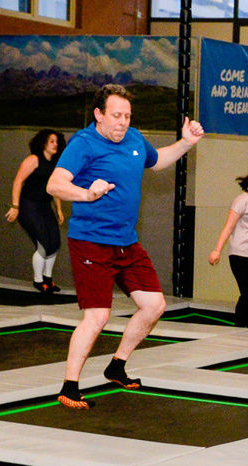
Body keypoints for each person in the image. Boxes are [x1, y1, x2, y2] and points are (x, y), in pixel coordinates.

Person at [47, 84, 203, 406]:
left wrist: (186, 143)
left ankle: (117, 365)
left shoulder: (133, 138)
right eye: (116, 116)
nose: (122, 122)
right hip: (91, 242)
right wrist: (87, 194)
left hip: (126, 242)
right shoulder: (84, 143)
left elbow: (157, 161)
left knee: (154, 306)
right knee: (97, 317)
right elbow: (55, 184)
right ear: (99, 115)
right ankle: (69, 386)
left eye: (127, 116)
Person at [208, 166, 248, 326]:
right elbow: (229, 226)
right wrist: (217, 250)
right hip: (241, 254)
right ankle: (240, 325)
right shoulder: (242, 201)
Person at [7, 129, 64, 293]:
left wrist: (59, 209)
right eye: (52, 141)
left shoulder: (55, 164)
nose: (55, 144)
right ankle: (38, 281)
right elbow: (18, 181)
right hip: (29, 205)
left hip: (45, 206)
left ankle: (48, 278)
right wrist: (15, 206)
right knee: (44, 243)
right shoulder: (33, 159)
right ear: (43, 143)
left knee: (54, 243)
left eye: (56, 142)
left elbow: (55, 189)